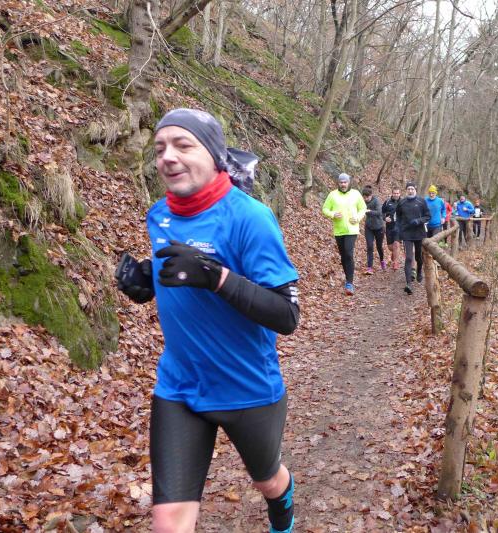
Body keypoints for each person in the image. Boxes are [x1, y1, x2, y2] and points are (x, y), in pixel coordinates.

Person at [115, 108, 299, 533]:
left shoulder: (250, 217)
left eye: (183, 145)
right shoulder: (158, 214)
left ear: (214, 156)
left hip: (246, 387)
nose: (168, 156)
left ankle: (282, 506)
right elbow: (180, 272)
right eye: (160, 148)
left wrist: (216, 277)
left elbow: (286, 315)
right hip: (179, 386)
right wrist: (149, 281)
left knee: (267, 481)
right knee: (168, 521)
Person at [321, 173, 367, 295]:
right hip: (339, 230)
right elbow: (325, 209)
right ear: (338, 183)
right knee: (343, 255)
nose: (343, 184)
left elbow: (363, 208)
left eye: (345, 182)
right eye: (341, 182)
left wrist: (357, 218)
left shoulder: (356, 194)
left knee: (348, 252)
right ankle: (348, 278)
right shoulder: (332, 195)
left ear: (349, 182)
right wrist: (333, 214)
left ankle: (349, 283)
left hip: (352, 229)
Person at [396, 182, 429, 294]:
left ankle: (419, 270)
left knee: (419, 257)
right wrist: (399, 230)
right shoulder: (402, 202)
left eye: (412, 189)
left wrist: (418, 221)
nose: (410, 191)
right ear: (406, 190)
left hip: (419, 233)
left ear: (415, 190)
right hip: (407, 233)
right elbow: (398, 217)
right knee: (409, 258)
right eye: (408, 189)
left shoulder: (421, 201)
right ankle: (408, 284)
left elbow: (428, 216)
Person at [361, 186, 386, 274]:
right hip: (369, 227)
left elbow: (379, 212)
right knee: (369, 246)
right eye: (364, 197)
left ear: (371, 195)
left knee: (379, 246)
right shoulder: (362, 202)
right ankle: (369, 267)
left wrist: (368, 211)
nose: (366, 199)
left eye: (367, 197)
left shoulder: (376, 201)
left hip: (379, 227)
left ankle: (382, 260)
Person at [381, 187, 402, 270]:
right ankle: (394, 253)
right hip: (389, 227)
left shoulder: (403, 202)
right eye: (394, 193)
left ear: (400, 194)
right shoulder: (387, 202)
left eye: (397, 193)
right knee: (390, 247)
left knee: (396, 244)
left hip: (399, 227)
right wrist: (384, 218)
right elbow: (381, 212)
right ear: (392, 193)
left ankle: (395, 263)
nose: (396, 195)